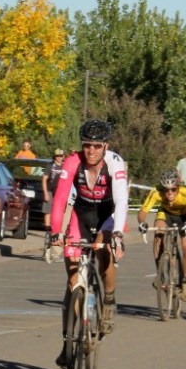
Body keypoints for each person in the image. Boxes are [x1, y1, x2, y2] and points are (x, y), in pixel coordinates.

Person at [50, 119, 128, 339]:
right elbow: (60, 198)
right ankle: (70, 338)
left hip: (107, 215)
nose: (91, 150)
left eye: (96, 145)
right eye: (86, 145)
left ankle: (109, 300)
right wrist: (56, 230)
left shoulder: (115, 163)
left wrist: (118, 234)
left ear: (106, 146)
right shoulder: (72, 161)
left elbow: (121, 200)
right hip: (81, 214)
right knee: (73, 280)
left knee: (105, 253)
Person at [136, 169, 186, 301]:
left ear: (178, 187)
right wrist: (142, 223)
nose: (169, 193)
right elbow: (143, 211)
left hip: (185, 217)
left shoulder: (185, 194)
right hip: (166, 214)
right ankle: (160, 274)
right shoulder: (156, 192)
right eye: (166, 190)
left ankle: (185, 282)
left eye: (173, 189)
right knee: (158, 234)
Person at [40, 148, 67, 263]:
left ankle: (57, 225)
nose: (59, 158)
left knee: (60, 211)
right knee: (48, 209)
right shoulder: (50, 166)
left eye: (61, 156)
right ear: (54, 157)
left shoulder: (65, 166)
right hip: (50, 190)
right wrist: (45, 192)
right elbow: (44, 179)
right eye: (57, 156)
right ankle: (47, 228)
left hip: (60, 191)